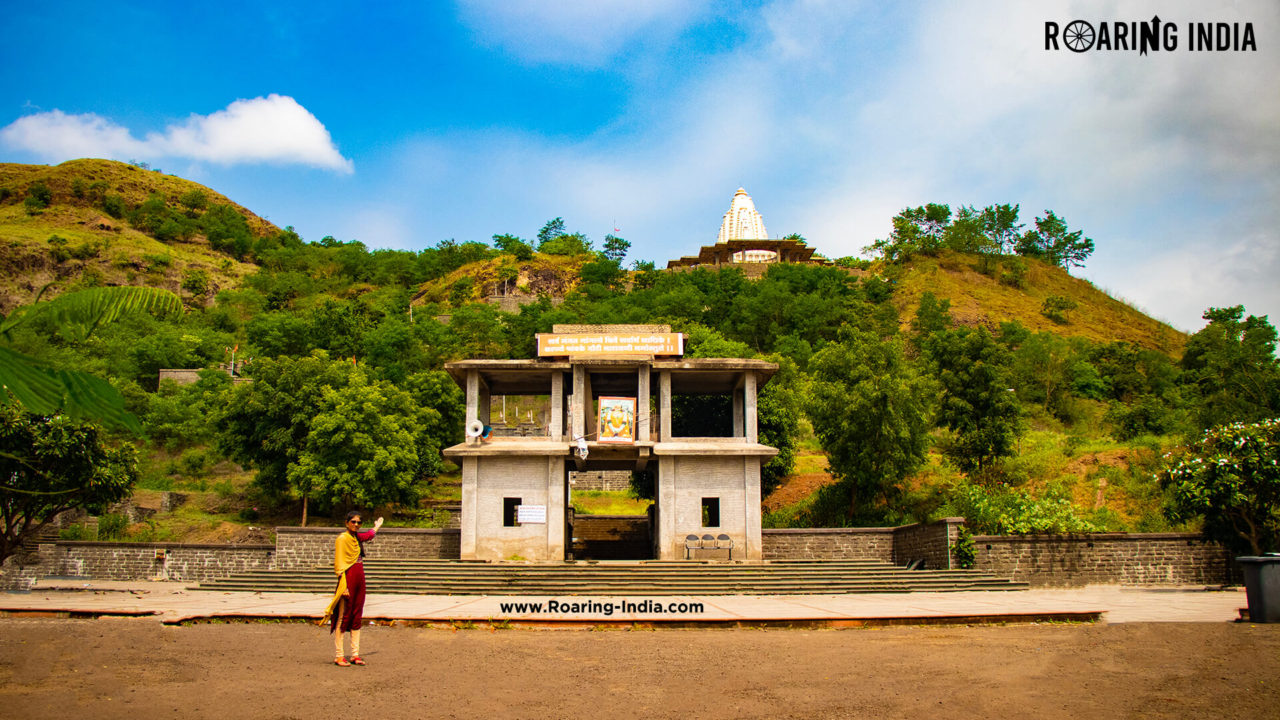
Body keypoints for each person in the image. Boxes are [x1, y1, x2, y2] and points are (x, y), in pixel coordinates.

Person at [321, 511, 383, 666]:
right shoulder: (342, 539)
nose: (356, 524)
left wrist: (376, 527)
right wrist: (344, 585)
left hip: (359, 579)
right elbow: (339, 563)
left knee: (356, 615)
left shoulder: (356, 538)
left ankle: (355, 654)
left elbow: (367, 536)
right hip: (348, 579)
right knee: (344, 616)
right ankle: (339, 655)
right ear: (347, 522)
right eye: (353, 522)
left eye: (359, 522)